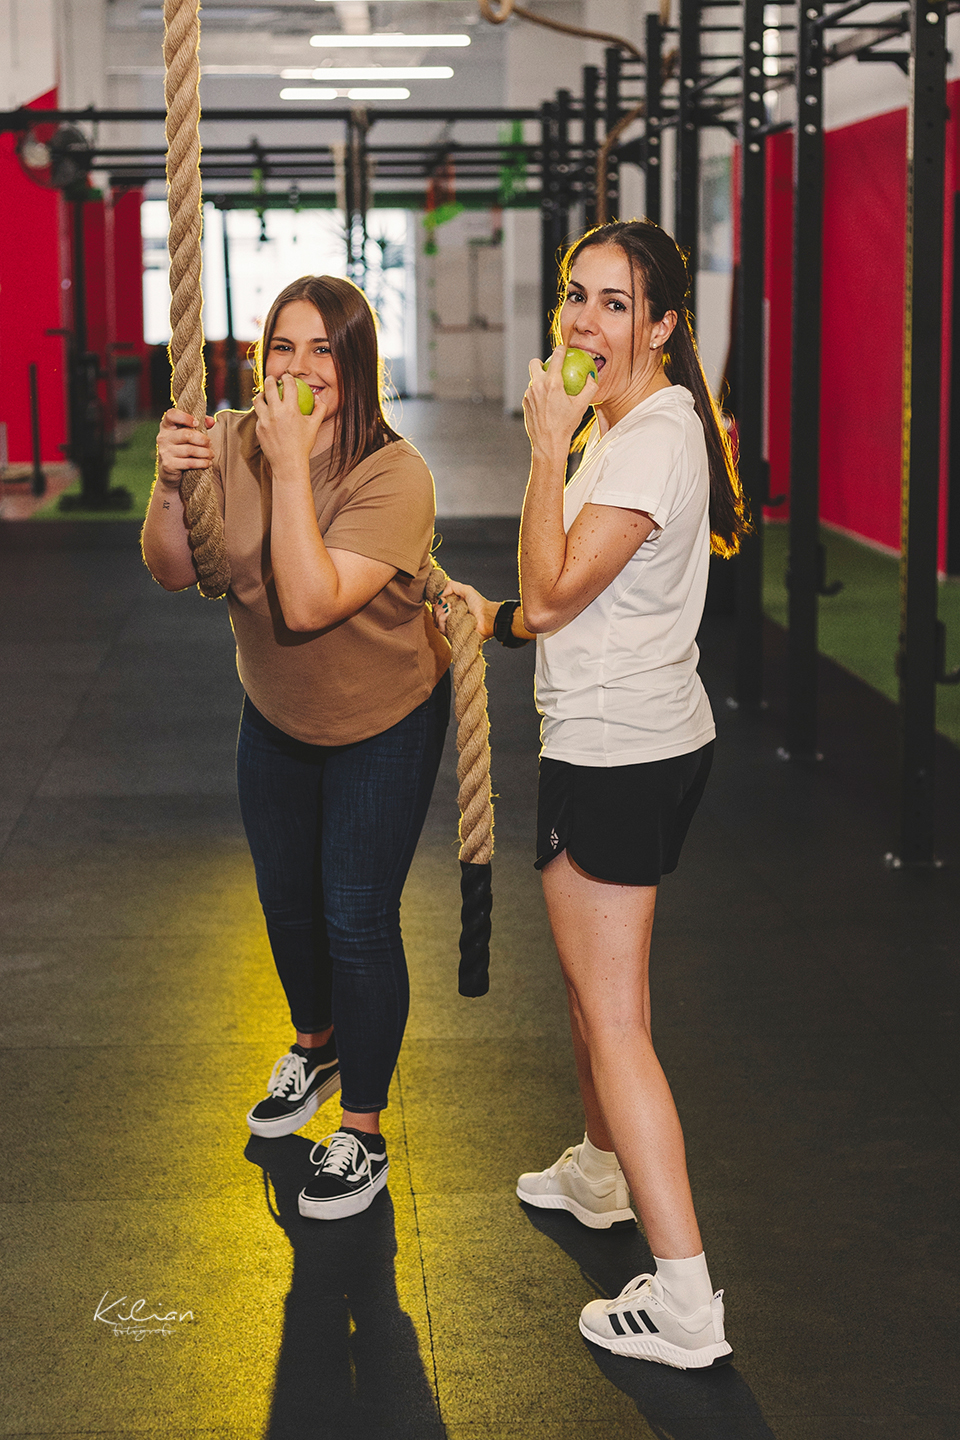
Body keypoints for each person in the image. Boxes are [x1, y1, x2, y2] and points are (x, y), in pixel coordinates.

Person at [437, 219, 747, 1369]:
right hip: (637, 733)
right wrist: (498, 621)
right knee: (595, 993)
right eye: (578, 296)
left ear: (662, 327)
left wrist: (542, 447)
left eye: (617, 305)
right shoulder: (631, 426)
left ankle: (685, 1304)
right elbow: (576, 602)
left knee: (614, 1016)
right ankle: (601, 1171)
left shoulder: (646, 439)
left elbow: (561, 588)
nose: (585, 322)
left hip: (620, 754)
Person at [143, 275, 450, 1221]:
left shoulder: (394, 475)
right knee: (286, 906)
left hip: (384, 717)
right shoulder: (230, 440)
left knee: (355, 916)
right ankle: (315, 1049)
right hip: (274, 716)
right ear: (259, 356)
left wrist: (283, 468)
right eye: (284, 346)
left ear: (356, 368)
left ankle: (361, 1130)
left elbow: (312, 602)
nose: (301, 367)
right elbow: (169, 566)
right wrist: (168, 481)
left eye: (325, 349)